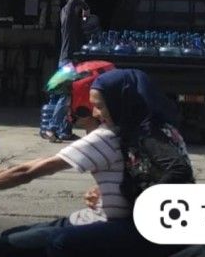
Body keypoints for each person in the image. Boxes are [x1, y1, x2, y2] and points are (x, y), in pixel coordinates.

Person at [0, 75, 130, 257]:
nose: (94, 112)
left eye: (99, 106)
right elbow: (49, 161)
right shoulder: (128, 132)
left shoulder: (107, 136)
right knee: (10, 235)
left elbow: (28, 172)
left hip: (101, 224)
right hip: (91, 216)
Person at [44, 68, 194, 257]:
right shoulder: (136, 129)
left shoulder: (150, 133)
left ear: (121, 101)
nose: (95, 113)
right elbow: (143, 170)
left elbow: (180, 170)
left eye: (100, 106)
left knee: (61, 242)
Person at [46, 0, 88, 142]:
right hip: (67, 61)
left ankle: (65, 131)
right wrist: (86, 7)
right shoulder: (68, 12)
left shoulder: (72, 18)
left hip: (70, 60)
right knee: (66, 97)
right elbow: (73, 1)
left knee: (71, 97)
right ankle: (51, 129)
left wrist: (84, 17)